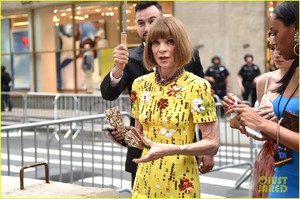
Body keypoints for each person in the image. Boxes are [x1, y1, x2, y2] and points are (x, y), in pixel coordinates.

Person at [100, 1, 213, 187]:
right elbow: (109, 93)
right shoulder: (130, 61)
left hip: (181, 157)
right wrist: (118, 69)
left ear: (163, 20)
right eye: (140, 23)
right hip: (142, 158)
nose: (147, 28)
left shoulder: (190, 57)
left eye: (152, 20)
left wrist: (206, 149)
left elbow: (201, 108)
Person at [130, 16, 218, 198]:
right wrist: (121, 135)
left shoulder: (198, 87)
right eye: (155, 43)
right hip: (145, 179)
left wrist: (171, 149)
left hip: (180, 180)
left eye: (170, 42)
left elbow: (212, 144)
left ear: (181, 45)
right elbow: (139, 140)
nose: (162, 49)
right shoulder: (140, 85)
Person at [223, 2, 298, 198]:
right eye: (270, 43)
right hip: (279, 168)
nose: (275, 49)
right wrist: (242, 117)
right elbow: (267, 131)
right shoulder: (271, 80)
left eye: (276, 32)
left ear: (295, 31)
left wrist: (261, 122)